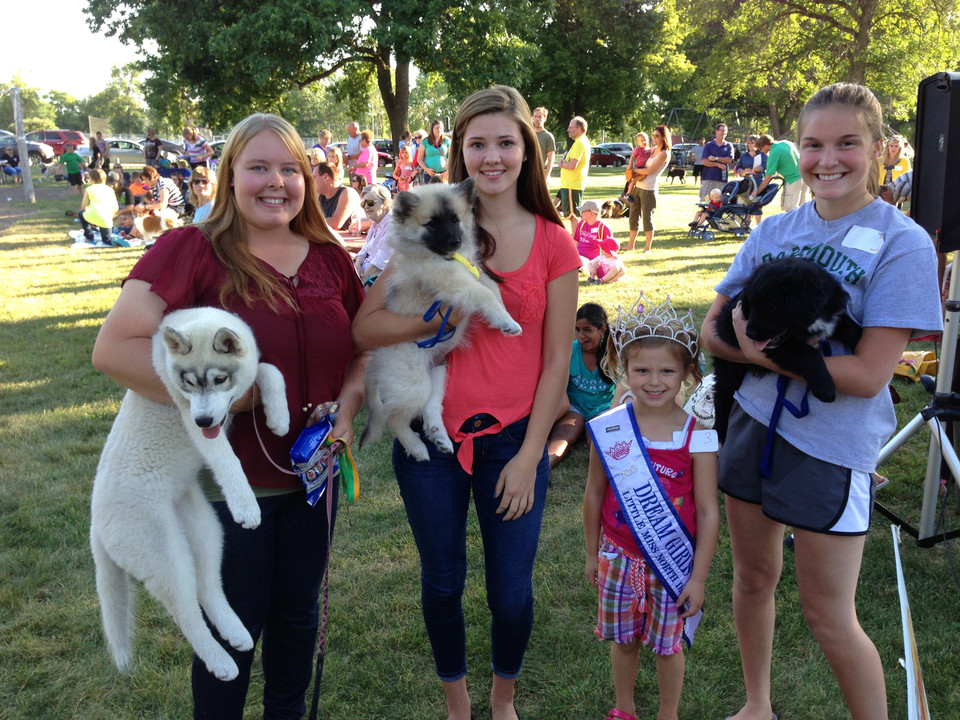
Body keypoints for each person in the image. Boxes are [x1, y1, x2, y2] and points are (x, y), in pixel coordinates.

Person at [92, 112, 365, 720]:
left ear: (309, 176)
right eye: (258, 167)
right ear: (229, 176)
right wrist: (228, 397)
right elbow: (115, 348)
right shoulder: (192, 249)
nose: (276, 182)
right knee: (230, 629)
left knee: (297, 623)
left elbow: (362, 346)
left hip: (313, 480)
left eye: (290, 168)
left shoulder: (328, 258)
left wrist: (347, 409)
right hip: (224, 487)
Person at [700, 83, 942, 720]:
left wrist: (756, 351)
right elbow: (710, 330)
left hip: (830, 448)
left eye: (846, 144)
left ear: (880, 150)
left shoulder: (903, 241)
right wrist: (764, 357)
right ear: (796, 150)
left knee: (828, 616)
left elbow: (865, 374)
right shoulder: (776, 230)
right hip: (752, 424)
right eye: (813, 144)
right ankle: (758, 705)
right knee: (752, 578)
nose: (827, 159)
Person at [352, 84, 580, 720]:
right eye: (476, 143)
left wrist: (531, 454)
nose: (492, 156)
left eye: (505, 142)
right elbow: (365, 330)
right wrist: (425, 322)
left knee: (510, 591)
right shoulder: (434, 222)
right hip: (431, 438)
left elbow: (558, 361)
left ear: (527, 151)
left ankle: (502, 702)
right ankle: (459, 706)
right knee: (443, 578)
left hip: (513, 439)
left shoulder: (555, 242)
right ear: (459, 152)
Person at [584, 296, 719, 720]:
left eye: (667, 371)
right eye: (642, 370)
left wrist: (697, 578)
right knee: (623, 641)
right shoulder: (610, 428)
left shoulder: (699, 434)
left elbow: (710, 512)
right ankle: (624, 708)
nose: (654, 381)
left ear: (687, 374)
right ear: (625, 370)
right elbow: (593, 493)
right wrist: (592, 552)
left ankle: (668, 713)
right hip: (619, 556)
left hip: (673, 565)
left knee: (668, 644)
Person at [547, 303, 616, 467]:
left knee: (598, 444)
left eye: (587, 330)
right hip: (574, 407)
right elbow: (560, 395)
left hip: (603, 408)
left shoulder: (613, 354)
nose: (581, 335)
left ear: (602, 330)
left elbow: (624, 392)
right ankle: (543, 468)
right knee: (563, 438)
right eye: (577, 329)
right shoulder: (570, 351)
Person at [626, 125, 671, 252]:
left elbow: (650, 170)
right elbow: (640, 158)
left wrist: (633, 170)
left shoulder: (664, 153)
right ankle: (630, 245)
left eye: (657, 136)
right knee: (633, 216)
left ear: (664, 137)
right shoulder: (652, 149)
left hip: (649, 189)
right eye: (653, 136)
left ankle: (647, 248)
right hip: (638, 186)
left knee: (647, 218)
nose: (654, 138)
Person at [754, 134, 807, 211]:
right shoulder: (785, 143)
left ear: (765, 145)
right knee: (803, 208)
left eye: (760, 148)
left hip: (792, 180)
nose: (761, 151)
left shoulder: (773, 153)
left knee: (791, 209)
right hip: (805, 176)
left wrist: (757, 192)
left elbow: (768, 177)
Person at [353, 184, 394, 284]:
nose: (366, 207)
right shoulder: (376, 222)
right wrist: (357, 265)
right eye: (363, 204)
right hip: (364, 270)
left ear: (385, 203)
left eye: (370, 203)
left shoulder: (393, 226)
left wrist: (358, 286)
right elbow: (364, 249)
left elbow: (378, 265)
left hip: (377, 280)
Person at [558, 115, 591, 233]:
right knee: (571, 215)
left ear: (578, 129)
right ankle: (576, 242)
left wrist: (562, 163)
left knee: (573, 215)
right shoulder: (578, 142)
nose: (568, 130)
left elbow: (572, 165)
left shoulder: (580, 143)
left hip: (573, 185)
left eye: (571, 127)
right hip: (570, 184)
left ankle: (577, 244)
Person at [313, 162, 363, 232]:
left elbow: (336, 223)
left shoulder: (347, 193)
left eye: (314, 177)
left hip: (349, 241)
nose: (312, 181)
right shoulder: (321, 195)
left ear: (325, 177)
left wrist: (308, 222)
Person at [79, 168, 120, 245]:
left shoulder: (89, 189)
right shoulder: (110, 190)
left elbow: (83, 207)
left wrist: (88, 210)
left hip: (92, 215)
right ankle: (111, 241)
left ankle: (89, 237)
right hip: (106, 219)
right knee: (107, 241)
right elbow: (116, 207)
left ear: (91, 179)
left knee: (81, 214)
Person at [573, 200, 618, 268]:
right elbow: (576, 241)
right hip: (578, 257)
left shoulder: (603, 227)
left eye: (583, 211)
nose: (581, 213)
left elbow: (610, 249)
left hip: (593, 261)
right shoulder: (581, 224)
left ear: (591, 213)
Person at [734, 135, 767, 226]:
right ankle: (746, 225)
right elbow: (738, 167)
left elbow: (765, 165)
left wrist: (754, 170)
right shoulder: (744, 155)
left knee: (756, 203)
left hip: (758, 181)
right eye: (748, 143)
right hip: (746, 182)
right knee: (747, 203)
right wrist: (743, 171)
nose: (750, 145)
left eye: (752, 143)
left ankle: (758, 226)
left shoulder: (762, 154)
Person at [699, 123, 734, 201]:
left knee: (720, 203)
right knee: (706, 202)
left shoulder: (728, 146)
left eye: (725, 131)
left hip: (722, 179)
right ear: (716, 131)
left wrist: (716, 158)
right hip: (708, 178)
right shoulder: (709, 145)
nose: (723, 133)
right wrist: (717, 164)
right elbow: (704, 161)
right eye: (721, 130)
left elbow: (729, 160)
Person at [532, 106, 556, 184]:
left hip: (541, 175)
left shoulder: (548, 137)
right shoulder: (529, 134)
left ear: (545, 118)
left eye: (540, 117)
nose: (537, 119)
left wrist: (546, 177)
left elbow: (551, 160)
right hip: (528, 174)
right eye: (535, 116)